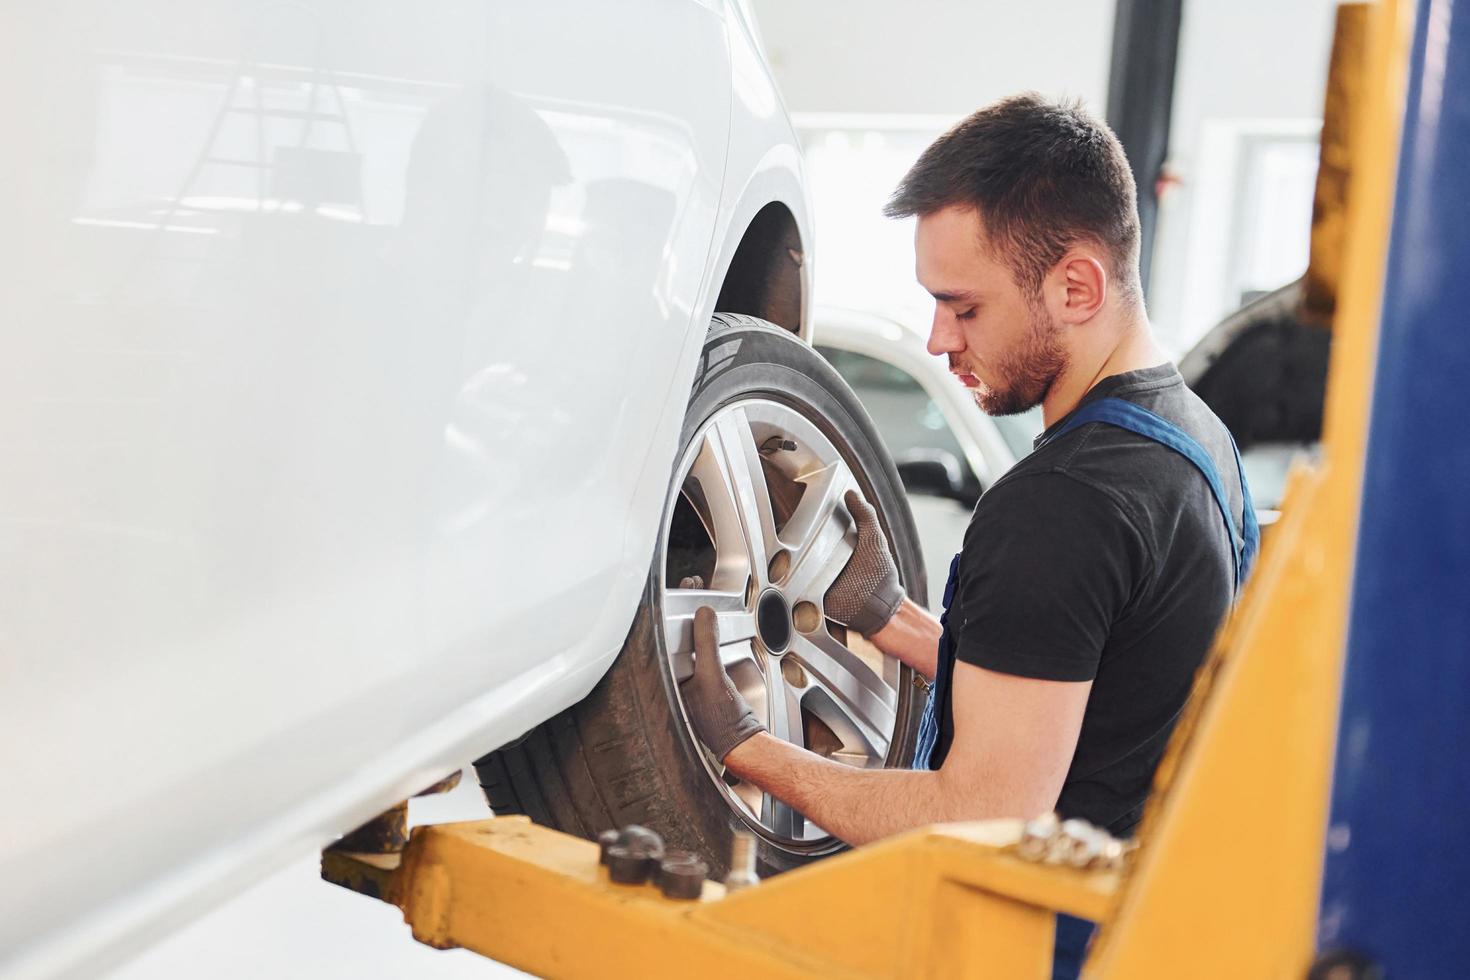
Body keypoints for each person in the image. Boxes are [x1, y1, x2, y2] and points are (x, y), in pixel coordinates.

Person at [677, 93, 1257, 976]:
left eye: (965, 307)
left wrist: (747, 749)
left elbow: (979, 813)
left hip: (1035, 952)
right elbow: (1085, 693)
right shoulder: (1199, 440)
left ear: (1077, 286)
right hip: (1145, 930)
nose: (939, 337)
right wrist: (894, 620)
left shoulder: (1063, 504)